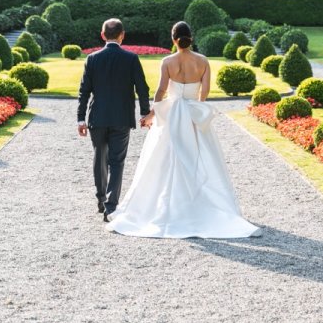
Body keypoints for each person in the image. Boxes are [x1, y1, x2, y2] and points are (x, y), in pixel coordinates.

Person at [106, 22, 261, 238]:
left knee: (163, 162)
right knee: (201, 160)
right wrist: (195, 110)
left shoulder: (168, 61)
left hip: (171, 116)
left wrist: (152, 113)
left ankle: (165, 208)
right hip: (192, 115)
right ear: (191, 38)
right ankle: (201, 206)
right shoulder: (203, 61)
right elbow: (204, 92)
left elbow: (161, 91)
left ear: (173, 38)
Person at [77, 18, 151, 221]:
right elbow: (142, 89)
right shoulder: (131, 58)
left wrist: (80, 119)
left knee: (99, 157)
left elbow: (84, 91)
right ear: (122, 35)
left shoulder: (92, 59)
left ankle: (101, 200)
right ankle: (111, 206)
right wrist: (145, 113)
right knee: (116, 161)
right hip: (121, 117)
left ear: (102, 35)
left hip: (97, 117)